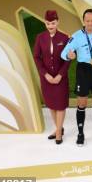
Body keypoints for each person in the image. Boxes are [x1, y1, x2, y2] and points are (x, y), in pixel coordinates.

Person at [61, 9, 92, 146]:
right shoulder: (76, 36)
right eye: (87, 21)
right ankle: (80, 134)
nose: (90, 23)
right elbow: (64, 53)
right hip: (83, 70)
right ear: (83, 21)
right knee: (81, 102)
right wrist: (68, 56)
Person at [32, 10, 69, 145]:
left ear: (57, 22)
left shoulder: (64, 38)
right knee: (52, 105)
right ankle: (59, 128)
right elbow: (36, 57)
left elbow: (67, 60)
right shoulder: (40, 37)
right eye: (48, 23)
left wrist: (60, 75)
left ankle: (58, 132)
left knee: (60, 106)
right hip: (46, 78)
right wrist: (45, 74)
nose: (50, 26)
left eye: (53, 23)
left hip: (61, 78)